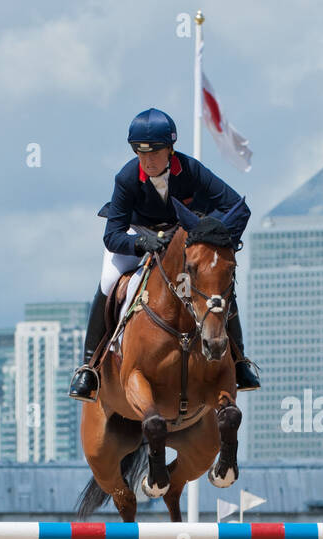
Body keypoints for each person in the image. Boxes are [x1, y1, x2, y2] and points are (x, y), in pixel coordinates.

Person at [69, 107, 259, 402]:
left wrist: (211, 234)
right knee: (109, 281)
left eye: (156, 152)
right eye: (141, 153)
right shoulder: (128, 177)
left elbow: (236, 207)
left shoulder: (191, 170)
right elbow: (112, 234)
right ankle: (89, 366)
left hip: (184, 237)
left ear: (171, 149)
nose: (148, 160)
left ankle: (239, 361)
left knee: (214, 282)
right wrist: (142, 244)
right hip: (137, 234)